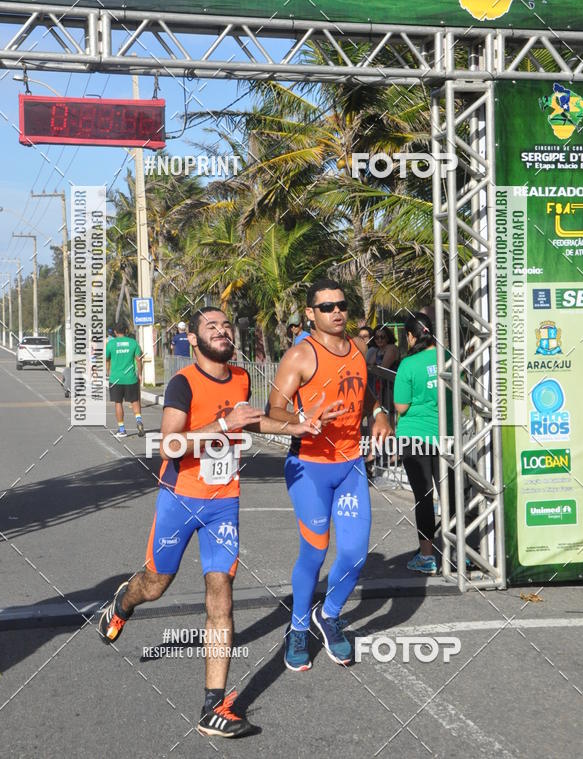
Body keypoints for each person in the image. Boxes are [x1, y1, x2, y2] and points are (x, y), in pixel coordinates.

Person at [98, 307, 318, 738]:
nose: (222, 331)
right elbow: (170, 445)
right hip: (180, 498)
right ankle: (124, 600)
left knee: (221, 594)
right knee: (156, 585)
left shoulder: (240, 378)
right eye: (210, 327)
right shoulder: (182, 383)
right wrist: (221, 423)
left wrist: (298, 426)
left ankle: (212, 707)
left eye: (226, 326)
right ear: (194, 341)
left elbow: (253, 419)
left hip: (224, 503)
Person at [268, 279, 393, 671]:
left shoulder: (356, 349)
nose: (336, 312)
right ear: (310, 313)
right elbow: (273, 411)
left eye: (341, 305)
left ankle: (330, 614)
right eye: (326, 307)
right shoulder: (300, 355)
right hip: (309, 466)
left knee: (355, 555)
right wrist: (305, 419)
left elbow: (365, 391)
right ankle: (298, 627)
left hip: (351, 464)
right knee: (316, 550)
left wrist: (378, 413)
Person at [394, 313, 454, 575]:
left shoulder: (408, 364)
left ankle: (427, 556)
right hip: (446, 437)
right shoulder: (449, 358)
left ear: (410, 335)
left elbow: (401, 406)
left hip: (414, 437)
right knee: (450, 496)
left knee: (424, 497)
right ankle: (458, 554)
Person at [106, 321, 144, 438]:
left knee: (118, 403)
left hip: (116, 378)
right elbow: (139, 359)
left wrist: (108, 372)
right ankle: (138, 420)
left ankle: (122, 429)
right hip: (130, 377)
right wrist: (140, 374)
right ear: (126, 331)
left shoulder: (111, 344)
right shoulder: (133, 343)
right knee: (134, 401)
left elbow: (107, 360)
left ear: (115, 332)